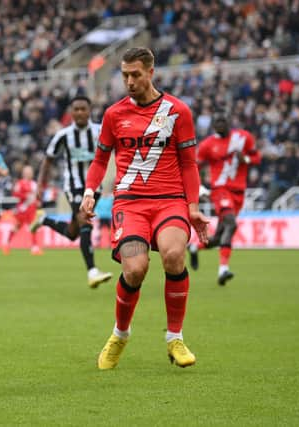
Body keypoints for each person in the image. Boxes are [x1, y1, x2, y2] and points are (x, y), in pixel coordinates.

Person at [79, 47, 209, 370]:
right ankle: (120, 334)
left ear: (151, 73)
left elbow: (189, 164)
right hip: (130, 202)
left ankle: (174, 338)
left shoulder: (177, 111)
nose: (129, 81)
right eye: (124, 75)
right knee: (135, 269)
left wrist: (193, 207)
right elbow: (100, 159)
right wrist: (89, 191)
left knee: (173, 256)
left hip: (170, 200)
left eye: (135, 74)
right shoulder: (114, 114)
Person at [31, 95, 112, 288]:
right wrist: (41, 186)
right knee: (85, 219)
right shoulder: (63, 135)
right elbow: (48, 160)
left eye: (83, 109)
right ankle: (92, 271)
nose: (80, 113)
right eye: (76, 109)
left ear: (89, 110)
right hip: (74, 185)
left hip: (95, 187)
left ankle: (43, 220)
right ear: (71, 112)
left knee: (72, 233)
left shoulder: (101, 131)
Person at [188, 113, 262, 285]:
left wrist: (247, 159)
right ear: (213, 126)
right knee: (231, 223)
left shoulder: (243, 138)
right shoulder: (207, 145)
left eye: (223, 121)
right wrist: (199, 189)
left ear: (229, 122)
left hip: (239, 192)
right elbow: (193, 167)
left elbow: (257, 157)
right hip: (220, 190)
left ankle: (194, 247)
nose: (221, 124)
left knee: (218, 237)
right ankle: (223, 269)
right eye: (217, 122)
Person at [4, 165, 42, 255]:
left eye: (30, 172)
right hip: (22, 209)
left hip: (31, 209)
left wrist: (37, 201)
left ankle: (35, 248)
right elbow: (15, 194)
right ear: (24, 173)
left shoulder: (34, 184)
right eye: (27, 172)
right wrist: (25, 196)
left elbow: (36, 196)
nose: (29, 174)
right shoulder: (20, 183)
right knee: (16, 227)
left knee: (33, 227)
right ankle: (7, 244)